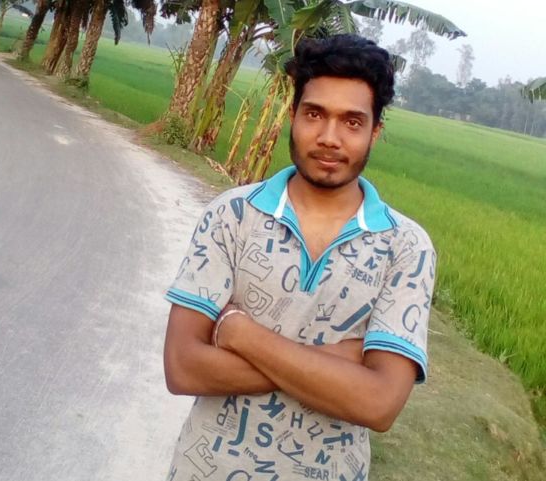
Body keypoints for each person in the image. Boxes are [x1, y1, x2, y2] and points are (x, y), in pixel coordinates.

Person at [163, 34, 436, 481]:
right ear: (292, 116)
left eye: (352, 122)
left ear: (375, 132)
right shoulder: (232, 215)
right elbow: (182, 367)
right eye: (314, 114)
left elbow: (379, 404)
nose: (329, 138)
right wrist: (335, 361)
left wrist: (239, 333)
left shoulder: (406, 247)